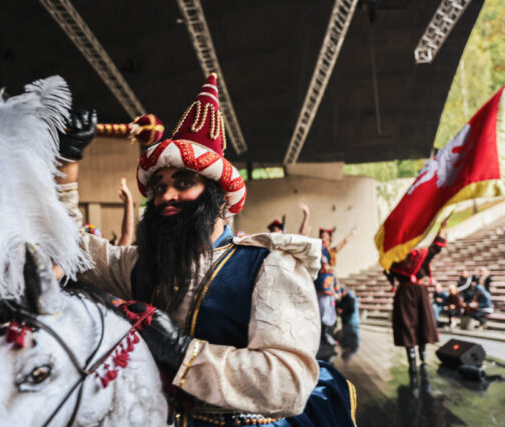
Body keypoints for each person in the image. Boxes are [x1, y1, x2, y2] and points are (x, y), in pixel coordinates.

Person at [55, 75, 356, 426]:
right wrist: (68, 160)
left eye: (183, 183)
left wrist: (182, 352)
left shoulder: (270, 265)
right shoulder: (140, 263)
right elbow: (71, 244)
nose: (166, 196)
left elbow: (288, 384)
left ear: (218, 198)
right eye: (158, 188)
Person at [384, 222, 447, 377]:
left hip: (412, 293)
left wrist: (442, 228)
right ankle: (414, 359)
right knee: (410, 325)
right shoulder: (402, 257)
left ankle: (419, 356)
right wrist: (442, 229)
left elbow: (436, 247)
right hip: (410, 293)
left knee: (421, 323)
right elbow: (436, 246)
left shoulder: (400, 258)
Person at [314, 225, 357, 360]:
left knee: (328, 307)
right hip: (320, 281)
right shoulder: (317, 248)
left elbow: (342, 243)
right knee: (320, 307)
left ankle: (325, 334)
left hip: (329, 282)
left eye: (326, 235)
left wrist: (352, 233)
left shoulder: (330, 251)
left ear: (330, 238)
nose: (323, 237)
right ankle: (320, 335)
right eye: (322, 235)